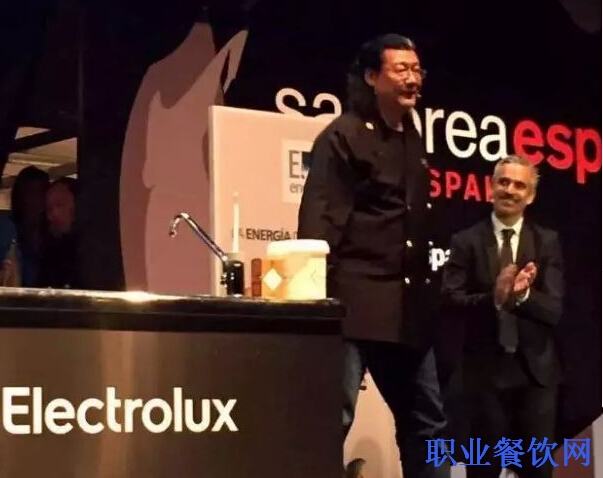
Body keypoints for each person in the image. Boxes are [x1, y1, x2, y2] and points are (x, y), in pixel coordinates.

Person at [297, 33, 448, 478]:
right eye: (401, 69)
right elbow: (319, 221)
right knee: (332, 418)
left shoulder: (413, 136)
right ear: (370, 77)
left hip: (407, 308)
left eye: (417, 70)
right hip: (354, 301)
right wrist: (318, 305)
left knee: (428, 424)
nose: (412, 79)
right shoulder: (342, 135)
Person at [440, 155, 564, 478]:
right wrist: (493, 299)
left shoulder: (547, 241)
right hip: (483, 377)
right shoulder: (465, 241)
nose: (509, 190)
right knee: (483, 471)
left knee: (538, 472)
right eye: (504, 182)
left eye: (519, 185)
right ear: (491, 187)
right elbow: (451, 302)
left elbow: (553, 309)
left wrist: (521, 296)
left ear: (530, 196)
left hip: (535, 376)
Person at [0, 165, 49, 286]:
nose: (37, 199)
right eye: (30, 192)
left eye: (41, 192)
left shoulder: (52, 232)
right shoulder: (7, 227)